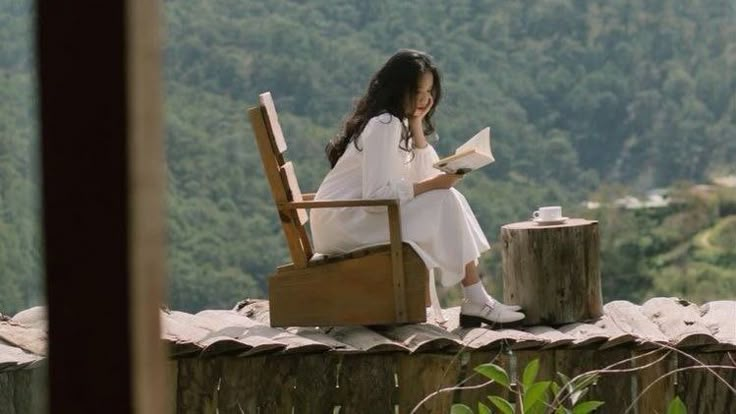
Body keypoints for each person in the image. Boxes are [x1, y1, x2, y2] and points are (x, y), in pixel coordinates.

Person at [310, 49, 524, 327]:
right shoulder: (385, 124)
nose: (425, 99)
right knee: (445, 198)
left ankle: (476, 298)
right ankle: (476, 299)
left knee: (446, 196)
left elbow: (424, 171)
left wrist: (417, 124)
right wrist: (435, 184)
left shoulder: (397, 123)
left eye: (430, 92)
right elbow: (376, 196)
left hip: (353, 216)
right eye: (419, 91)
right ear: (400, 88)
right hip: (346, 222)